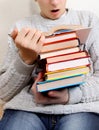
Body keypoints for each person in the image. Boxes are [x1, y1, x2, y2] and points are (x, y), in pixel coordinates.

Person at [0, 0, 99, 130]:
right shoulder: (21, 27)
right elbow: (4, 93)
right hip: (27, 109)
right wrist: (26, 59)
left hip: (79, 109)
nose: (54, 2)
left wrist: (70, 95)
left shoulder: (89, 20)